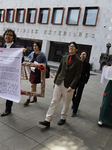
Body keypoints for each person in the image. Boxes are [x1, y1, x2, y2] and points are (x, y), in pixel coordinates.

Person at [39, 42, 83, 128]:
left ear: (76, 49)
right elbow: (59, 70)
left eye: (73, 46)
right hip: (59, 82)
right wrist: (55, 81)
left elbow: (77, 76)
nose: (71, 47)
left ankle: (63, 118)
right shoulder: (64, 57)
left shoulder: (79, 61)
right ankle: (47, 120)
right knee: (54, 101)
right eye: (70, 46)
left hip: (69, 85)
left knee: (66, 103)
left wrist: (72, 86)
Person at [1, 29, 26, 117]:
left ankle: (8, 109)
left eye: (10, 35)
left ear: (13, 38)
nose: (8, 36)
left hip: (11, 74)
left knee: (9, 92)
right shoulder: (2, 48)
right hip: (3, 73)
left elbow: (21, 60)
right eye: (6, 34)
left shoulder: (17, 48)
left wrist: (22, 54)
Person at [23, 42, 47, 106]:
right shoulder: (32, 53)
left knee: (32, 85)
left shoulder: (42, 54)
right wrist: (29, 61)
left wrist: (40, 64)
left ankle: (28, 99)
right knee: (34, 85)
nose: (34, 47)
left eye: (36, 46)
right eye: (34, 46)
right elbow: (29, 58)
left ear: (39, 47)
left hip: (37, 71)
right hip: (32, 71)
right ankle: (34, 97)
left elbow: (45, 62)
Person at [71, 51, 90, 117]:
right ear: (80, 55)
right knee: (72, 93)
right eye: (82, 54)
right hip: (75, 80)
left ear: (86, 56)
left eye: (84, 54)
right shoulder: (77, 62)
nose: (83, 55)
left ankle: (74, 111)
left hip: (82, 81)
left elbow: (88, 74)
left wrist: (86, 80)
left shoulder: (87, 64)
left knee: (79, 95)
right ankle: (74, 103)